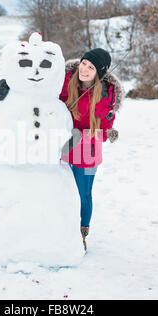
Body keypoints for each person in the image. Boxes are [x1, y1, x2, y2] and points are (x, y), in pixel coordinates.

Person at [59, 48, 122, 251]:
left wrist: (96, 133)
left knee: (83, 194)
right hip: (63, 147)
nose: (84, 69)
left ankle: (81, 234)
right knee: (60, 190)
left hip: (88, 152)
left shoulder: (106, 94)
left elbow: (104, 130)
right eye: (84, 63)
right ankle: (58, 230)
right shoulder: (65, 80)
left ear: (99, 73)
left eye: (91, 67)